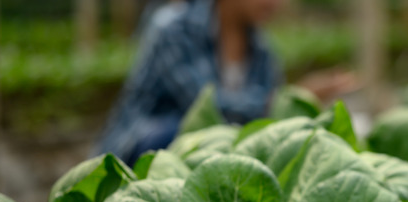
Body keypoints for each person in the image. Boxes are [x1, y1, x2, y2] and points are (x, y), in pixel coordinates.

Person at [95, 0, 286, 165]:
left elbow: (269, 118)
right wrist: (277, 101)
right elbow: (203, 106)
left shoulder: (262, 49)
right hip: (146, 149)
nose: (275, 3)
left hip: (214, 153)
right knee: (173, 132)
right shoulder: (173, 29)